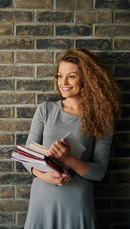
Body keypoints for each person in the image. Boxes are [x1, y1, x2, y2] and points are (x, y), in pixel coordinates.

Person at [22, 48, 121, 229]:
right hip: (42, 201)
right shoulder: (46, 109)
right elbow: (28, 154)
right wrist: (43, 176)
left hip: (77, 203)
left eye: (71, 76)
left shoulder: (101, 118)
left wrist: (69, 159)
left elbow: (99, 172)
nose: (63, 82)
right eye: (60, 76)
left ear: (86, 79)